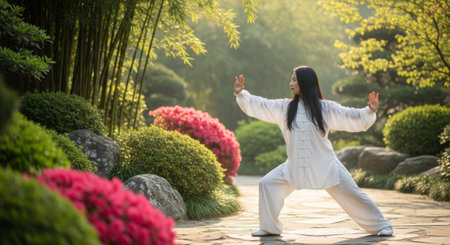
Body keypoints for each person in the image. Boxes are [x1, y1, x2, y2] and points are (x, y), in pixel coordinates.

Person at [233, 66, 393, 237]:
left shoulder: (325, 108)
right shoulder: (285, 107)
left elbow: (349, 116)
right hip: (294, 167)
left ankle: (381, 225)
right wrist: (242, 94)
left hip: (326, 166)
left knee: (354, 195)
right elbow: (262, 105)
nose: (291, 83)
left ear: (305, 82)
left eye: (294, 79)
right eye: (292, 79)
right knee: (267, 184)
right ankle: (270, 228)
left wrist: (369, 111)